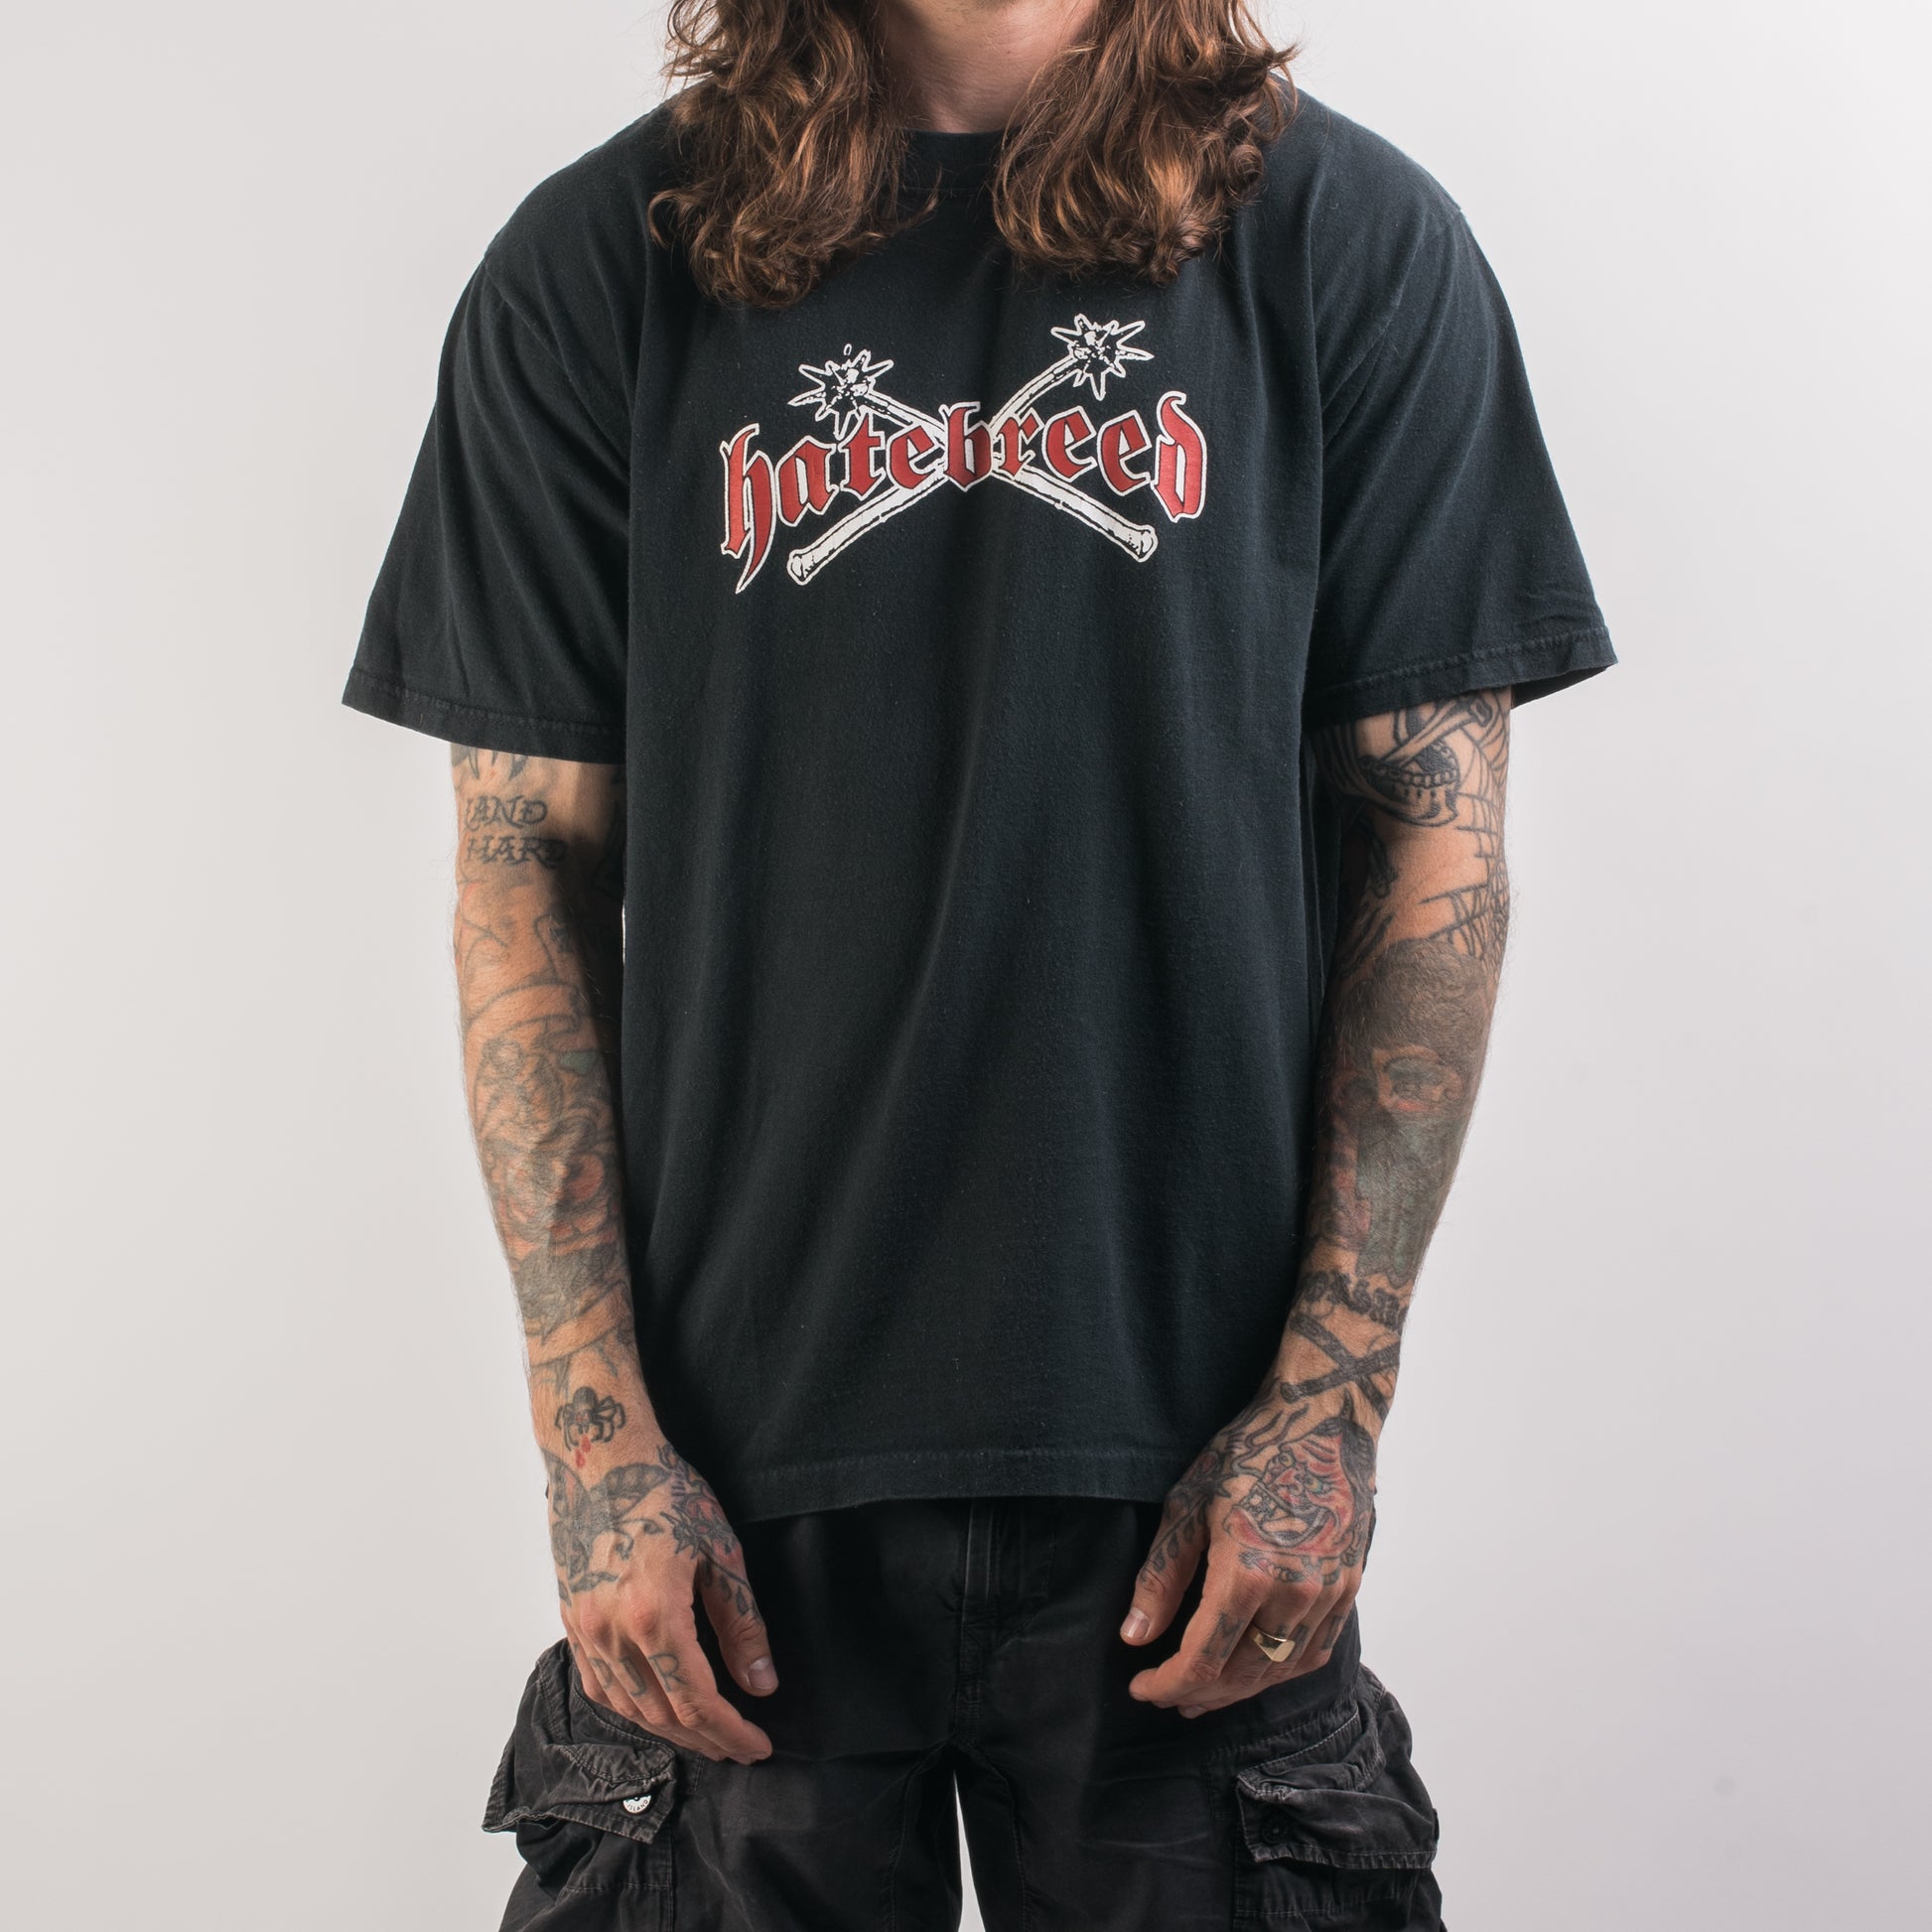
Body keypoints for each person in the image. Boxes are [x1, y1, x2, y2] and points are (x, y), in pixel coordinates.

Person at [343, 0, 1613, 1921]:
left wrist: (1326, 1405)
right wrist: (593, 1437)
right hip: (733, 1502)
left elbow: (1435, 847)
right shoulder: (606, 259)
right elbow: (525, 869)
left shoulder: (1344, 241)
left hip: (1191, 1487)